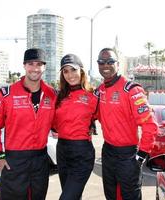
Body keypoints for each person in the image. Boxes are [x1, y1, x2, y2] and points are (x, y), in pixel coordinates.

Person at [0, 48, 56, 200]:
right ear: (24, 66)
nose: (35, 68)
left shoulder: (52, 94)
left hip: (41, 160)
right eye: (31, 63)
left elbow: (59, 120)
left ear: (44, 67)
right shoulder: (7, 93)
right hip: (14, 161)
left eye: (39, 64)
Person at [96, 48, 158, 200]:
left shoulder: (131, 89)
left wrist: (141, 156)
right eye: (101, 62)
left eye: (110, 61)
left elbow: (150, 125)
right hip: (108, 152)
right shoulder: (100, 90)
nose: (106, 65)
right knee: (110, 195)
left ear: (118, 64)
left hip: (128, 155)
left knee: (130, 196)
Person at [54, 54, 98, 199]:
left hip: (82, 153)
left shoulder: (93, 96)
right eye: (65, 71)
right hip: (62, 151)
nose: (70, 75)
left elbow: (108, 118)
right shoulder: (59, 96)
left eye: (73, 69)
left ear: (81, 71)